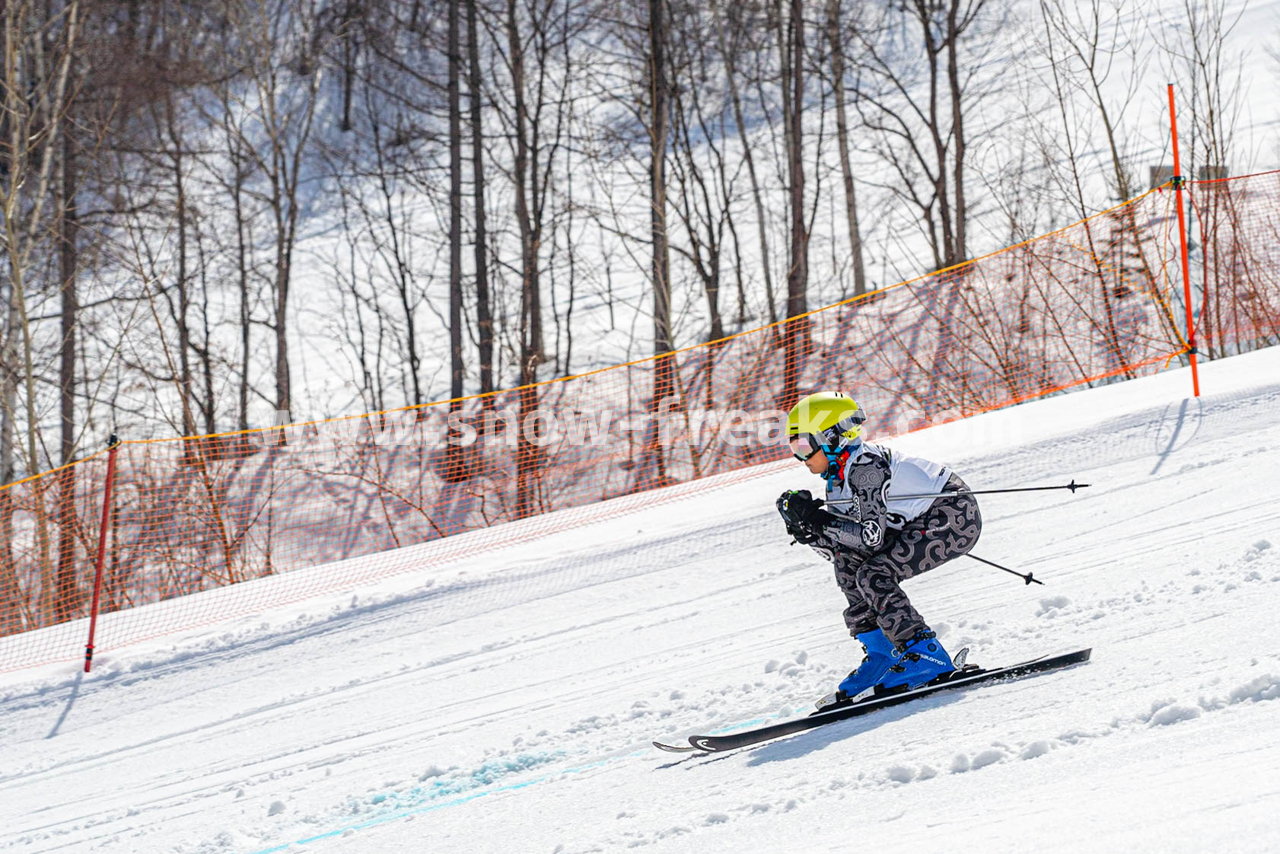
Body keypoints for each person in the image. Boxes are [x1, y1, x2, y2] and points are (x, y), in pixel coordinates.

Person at [776, 391, 982, 703]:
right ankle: (883, 653)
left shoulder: (866, 468)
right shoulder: (837, 478)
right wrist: (807, 530)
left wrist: (818, 521)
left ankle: (926, 654)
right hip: (917, 522)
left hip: (953, 516)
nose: (799, 457)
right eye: (794, 449)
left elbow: (870, 537)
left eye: (803, 446)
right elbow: (841, 549)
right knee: (849, 566)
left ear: (832, 437)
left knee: (874, 575)